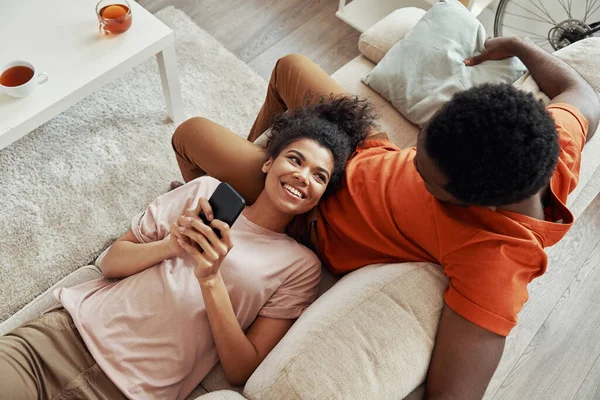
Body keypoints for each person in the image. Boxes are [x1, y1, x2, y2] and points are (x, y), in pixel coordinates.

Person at [169, 37, 600, 399]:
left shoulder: (495, 261)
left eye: (428, 179)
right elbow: (581, 93)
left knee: (191, 134)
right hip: (366, 145)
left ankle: (235, 194)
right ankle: (260, 164)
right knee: (289, 67)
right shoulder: (550, 143)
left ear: (477, 203)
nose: (413, 165)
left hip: (314, 209)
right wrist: (517, 46)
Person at [0, 96, 376, 400]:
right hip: (61, 337)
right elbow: (111, 263)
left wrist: (210, 279)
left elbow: (241, 369)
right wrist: (170, 245)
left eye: (319, 176)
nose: (302, 176)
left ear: (322, 195)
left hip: (131, 390)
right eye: (295, 159)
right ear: (268, 163)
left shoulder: (301, 267)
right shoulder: (205, 192)